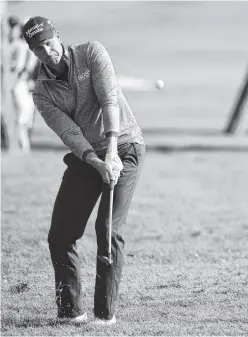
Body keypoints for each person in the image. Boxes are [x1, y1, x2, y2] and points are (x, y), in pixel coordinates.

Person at [22, 16, 146, 325]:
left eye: (48, 43)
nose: (46, 51)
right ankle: (71, 313)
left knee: (107, 229)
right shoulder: (42, 93)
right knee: (61, 235)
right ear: (32, 52)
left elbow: (109, 100)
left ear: (58, 37)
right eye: (38, 48)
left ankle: (104, 317)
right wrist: (96, 161)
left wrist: (113, 154)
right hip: (87, 155)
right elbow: (70, 134)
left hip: (125, 146)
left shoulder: (92, 52)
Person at [9, 16, 38, 152]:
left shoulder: (32, 47)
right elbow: (19, 68)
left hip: (27, 84)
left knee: (27, 114)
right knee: (23, 112)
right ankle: (21, 145)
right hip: (19, 83)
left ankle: (23, 144)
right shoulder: (19, 46)